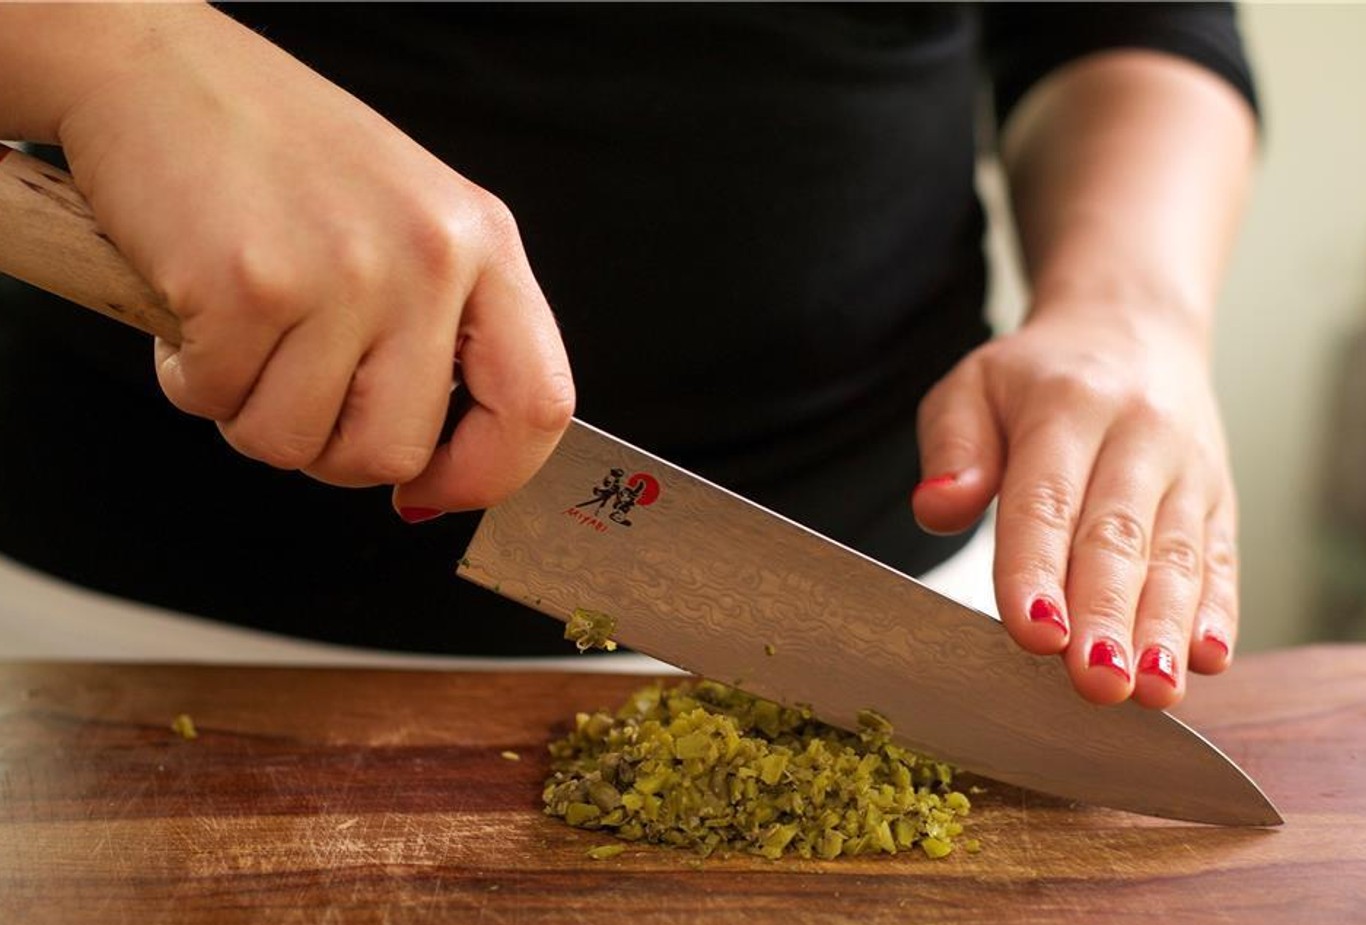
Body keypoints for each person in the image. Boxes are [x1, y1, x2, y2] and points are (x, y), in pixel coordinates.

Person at [0, 2, 1258, 709]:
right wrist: (122, 52)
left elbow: (1123, 21)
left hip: (885, 618)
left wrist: (1129, 301)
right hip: (102, 641)